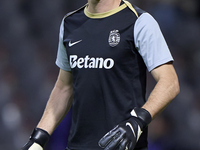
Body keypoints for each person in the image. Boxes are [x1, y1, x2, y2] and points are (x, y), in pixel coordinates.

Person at [22, 0, 180, 150]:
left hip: (123, 146)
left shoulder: (140, 22)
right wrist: (39, 137)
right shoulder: (70, 23)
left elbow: (170, 82)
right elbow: (64, 87)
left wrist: (138, 121)